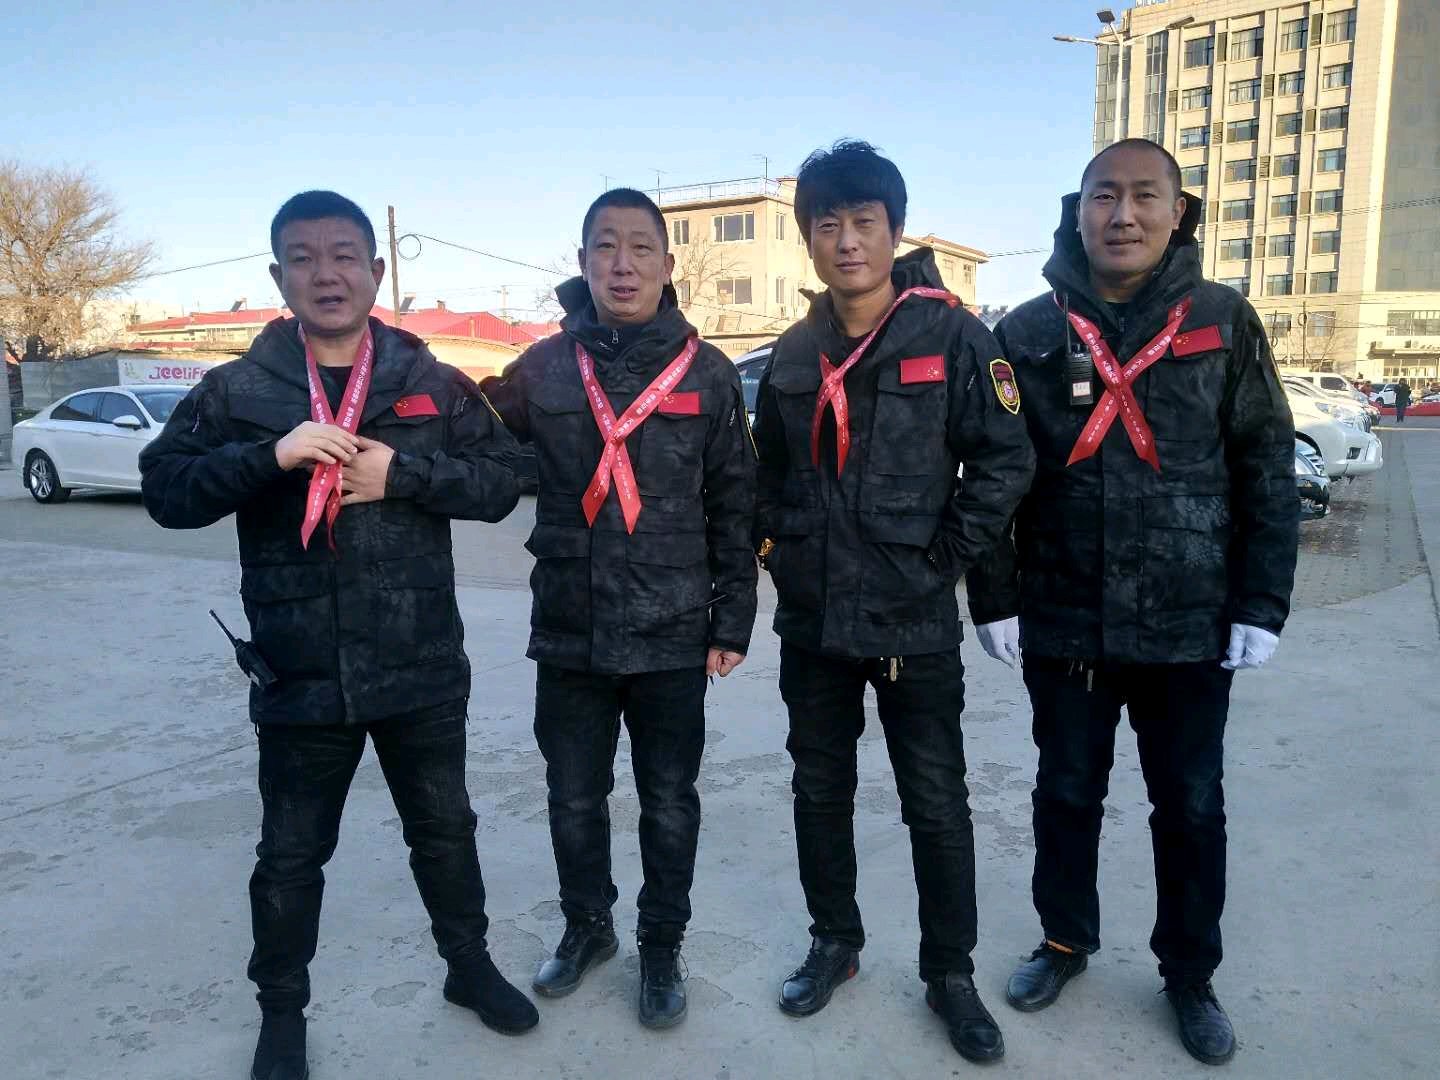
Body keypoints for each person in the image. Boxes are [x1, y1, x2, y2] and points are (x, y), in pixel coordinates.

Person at [140, 191, 537, 1080]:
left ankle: (468, 968)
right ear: (278, 275)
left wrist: (407, 476)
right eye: (305, 257)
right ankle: (282, 1014)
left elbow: (507, 477)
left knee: (446, 831)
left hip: (419, 663)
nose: (327, 274)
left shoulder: (429, 380)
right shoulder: (238, 392)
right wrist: (269, 456)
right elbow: (165, 491)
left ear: (377, 271)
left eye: (345, 255)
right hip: (300, 672)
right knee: (290, 856)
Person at [967, 139, 1298, 1066]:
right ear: (1075, 213)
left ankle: (1189, 973)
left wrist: (1261, 602)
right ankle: (1064, 941)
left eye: (1144, 196)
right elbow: (994, 473)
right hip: (1064, 617)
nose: (1123, 215)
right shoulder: (1027, 333)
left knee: (1190, 804)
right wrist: (993, 594)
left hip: (1190, 621)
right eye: (1103, 196)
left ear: (1177, 212)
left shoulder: (1224, 321)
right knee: (1066, 792)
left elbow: (1266, 464)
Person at [751, 141, 1035, 1063]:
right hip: (815, 625)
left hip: (914, 622)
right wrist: (780, 551)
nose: (846, 241)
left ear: (894, 230)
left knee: (936, 804)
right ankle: (834, 942)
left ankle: (949, 973)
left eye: (864, 222)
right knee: (818, 791)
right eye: (827, 224)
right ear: (808, 237)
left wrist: (944, 561)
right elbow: (767, 473)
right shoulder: (795, 350)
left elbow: (1005, 460)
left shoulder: (952, 338)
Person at [482, 188, 756, 1030]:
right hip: (570, 627)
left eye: (641, 248)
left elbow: (735, 503)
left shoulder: (707, 372)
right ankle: (587, 927)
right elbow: (479, 449)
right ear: (583, 261)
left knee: (669, 801)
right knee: (573, 797)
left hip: (674, 629)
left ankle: (661, 944)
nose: (623, 264)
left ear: (668, 266)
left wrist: (732, 621)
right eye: (606, 246)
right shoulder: (542, 368)